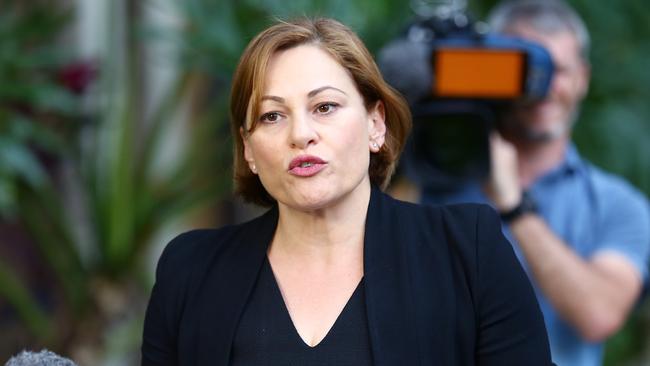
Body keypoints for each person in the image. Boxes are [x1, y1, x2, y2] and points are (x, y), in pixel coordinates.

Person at [141, 17, 554, 365]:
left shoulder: (468, 249)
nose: (301, 134)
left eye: (325, 107)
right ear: (248, 149)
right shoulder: (189, 269)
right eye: (272, 116)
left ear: (376, 124)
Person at [393, 1, 650, 365]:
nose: (543, 88)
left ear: (583, 78)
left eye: (557, 70)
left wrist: (514, 205)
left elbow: (599, 316)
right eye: (527, 69)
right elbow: (365, 267)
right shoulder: (432, 177)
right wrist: (405, 117)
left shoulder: (618, 204)